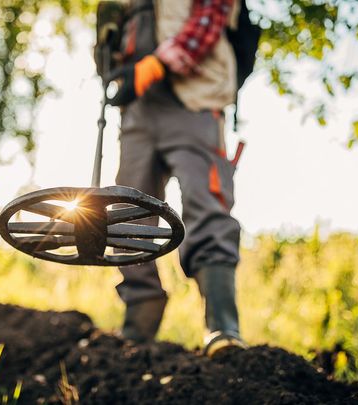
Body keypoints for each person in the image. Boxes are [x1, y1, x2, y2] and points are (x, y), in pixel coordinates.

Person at [103, 0, 246, 357]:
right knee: (126, 213)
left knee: (206, 203)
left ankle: (222, 327)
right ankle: (137, 328)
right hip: (138, 111)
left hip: (194, 99)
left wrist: (159, 63)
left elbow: (213, 14)